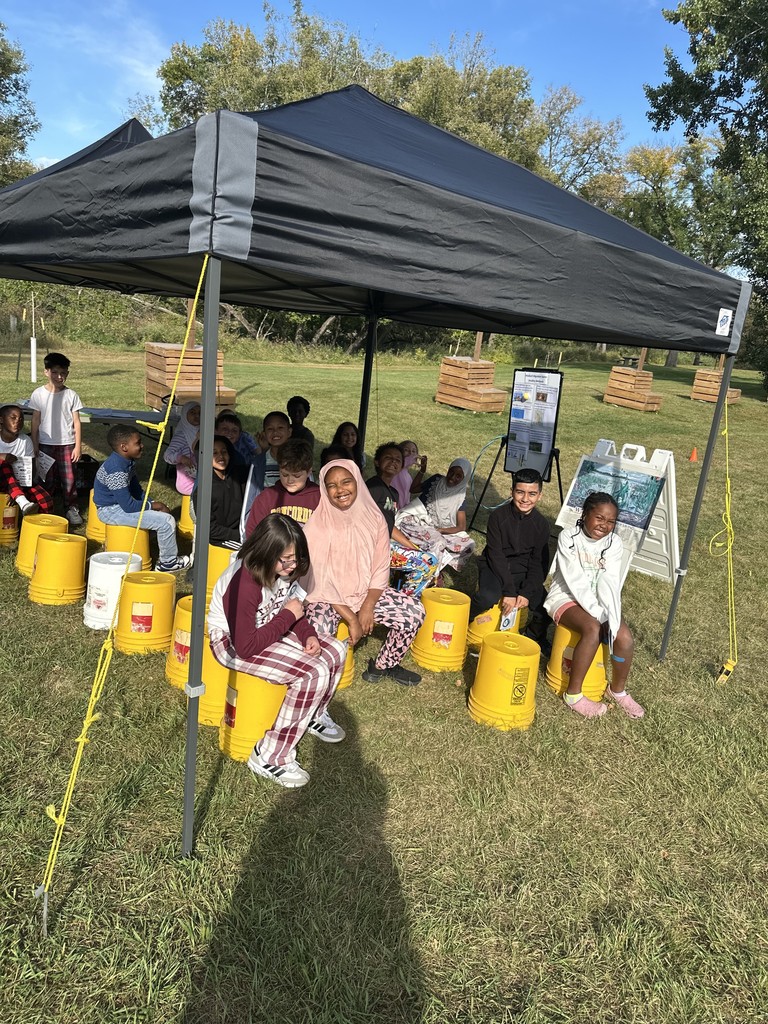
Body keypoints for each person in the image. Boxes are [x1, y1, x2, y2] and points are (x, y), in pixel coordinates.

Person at [207, 513, 347, 789]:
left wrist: (307, 634)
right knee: (314, 673)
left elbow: (291, 609)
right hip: (231, 642)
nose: (293, 566)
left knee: (334, 651)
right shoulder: (244, 583)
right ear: (266, 552)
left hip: (265, 630)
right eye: (287, 559)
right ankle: (270, 756)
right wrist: (287, 617)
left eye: (297, 558)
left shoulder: (282, 570)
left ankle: (313, 715)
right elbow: (246, 646)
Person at [303, 459, 426, 686]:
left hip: (364, 593)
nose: (340, 490)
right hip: (328, 599)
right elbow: (320, 582)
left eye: (346, 481)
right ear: (324, 489)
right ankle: (320, 678)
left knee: (413, 612)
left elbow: (380, 567)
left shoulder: (375, 518)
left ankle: (384, 665)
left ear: (357, 481)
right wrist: (352, 618)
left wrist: (368, 606)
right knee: (319, 627)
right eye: (332, 485)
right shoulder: (316, 526)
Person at [544, 491, 644, 720]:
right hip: (565, 597)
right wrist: (600, 616)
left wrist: (612, 615)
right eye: (599, 518)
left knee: (624, 637)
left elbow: (609, 582)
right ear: (585, 514)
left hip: (598, 603)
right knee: (593, 629)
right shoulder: (569, 537)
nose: (604, 525)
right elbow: (575, 581)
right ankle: (573, 695)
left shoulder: (614, 543)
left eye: (611, 521)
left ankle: (617, 690)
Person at [469, 468, 551, 647]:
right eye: (520, 492)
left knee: (546, 606)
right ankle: (463, 620)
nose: (525, 499)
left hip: (524, 570)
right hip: (495, 566)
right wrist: (509, 591)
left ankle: (533, 636)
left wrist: (526, 592)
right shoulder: (498, 517)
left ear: (540, 496)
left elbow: (539, 563)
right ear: (512, 491)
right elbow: (495, 554)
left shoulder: (542, 524)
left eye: (532, 494)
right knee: (487, 597)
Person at [93, 424, 190, 572]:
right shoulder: (116, 470)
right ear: (124, 447)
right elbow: (128, 506)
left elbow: (136, 491)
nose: (142, 445)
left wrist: (151, 503)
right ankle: (168, 563)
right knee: (166, 522)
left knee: (159, 516)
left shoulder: (127, 462)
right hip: (110, 510)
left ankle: (145, 545)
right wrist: (156, 506)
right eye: (138, 443)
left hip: (119, 506)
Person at [366, 442, 438, 598]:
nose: (393, 461)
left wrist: (412, 547)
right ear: (377, 462)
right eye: (388, 457)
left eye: (398, 459)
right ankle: (402, 599)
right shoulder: (373, 487)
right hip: (371, 548)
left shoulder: (393, 493)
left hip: (385, 544)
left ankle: (396, 597)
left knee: (423, 553)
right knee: (428, 562)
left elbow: (389, 526)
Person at [28, 351, 83, 525]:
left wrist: (78, 446)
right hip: (45, 444)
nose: (59, 377)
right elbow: (35, 421)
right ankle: (46, 507)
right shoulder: (38, 394)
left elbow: (77, 422)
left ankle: (71, 508)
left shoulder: (71, 395)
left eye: (63, 373)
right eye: (55, 372)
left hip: (67, 444)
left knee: (69, 479)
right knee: (46, 478)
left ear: (67, 373)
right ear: (46, 372)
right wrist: (35, 444)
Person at [395, 457, 476, 572]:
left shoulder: (460, 497)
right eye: (451, 472)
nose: (452, 477)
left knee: (470, 545)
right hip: (418, 520)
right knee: (438, 542)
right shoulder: (436, 480)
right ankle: (431, 572)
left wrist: (441, 530)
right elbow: (413, 489)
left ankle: (440, 560)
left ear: (464, 479)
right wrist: (422, 471)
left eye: (458, 476)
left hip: (439, 528)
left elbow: (461, 526)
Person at [244, 439, 320, 536]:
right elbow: (253, 533)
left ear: (309, 472)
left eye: (296, 476)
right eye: (285, 474)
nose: (290, 480)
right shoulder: (267, 498)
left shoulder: (319, 498)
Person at [193, 435, 249, 546]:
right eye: (214, 453)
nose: (221, 456)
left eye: (224, 452)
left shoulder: (238, 475)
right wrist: (239, 535)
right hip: (222, 538)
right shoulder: (204, 490)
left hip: (242, 531)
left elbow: (257, 469)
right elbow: (210, 529)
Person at [0, 404, 54, 516]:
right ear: (1, 420)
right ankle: (22, 501)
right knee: (4, 464)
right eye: (13, 418)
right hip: (2, 480)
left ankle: (38, 524)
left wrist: (17, 489)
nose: (17, 422)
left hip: (20, 483)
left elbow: (31, 471)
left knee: (45, 500)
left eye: (21, 419)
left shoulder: (26, 441)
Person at [241, 410, 294, 522]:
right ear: (264, 434)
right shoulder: (258, 463)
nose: (275, 432)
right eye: (270, 429)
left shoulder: (300, 461)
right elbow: (250, 499)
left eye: (280, 428)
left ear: (289, 432)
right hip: (266, 523)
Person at [163, 401, 200, 496]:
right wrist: (181, 458)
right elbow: (167, 455)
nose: (197, 416)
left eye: (200, 413)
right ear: (185, 414)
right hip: (187, 482)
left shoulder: (203, 432)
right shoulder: (182, 435)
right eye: (192, 413)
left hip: (201, 478)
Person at [391, 439, 427, 509]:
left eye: (413, 451)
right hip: (392, 507)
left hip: (401, 510)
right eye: (406, 450)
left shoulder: (407, 475)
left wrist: (422, 470)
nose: (410, 453)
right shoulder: (395, 469)